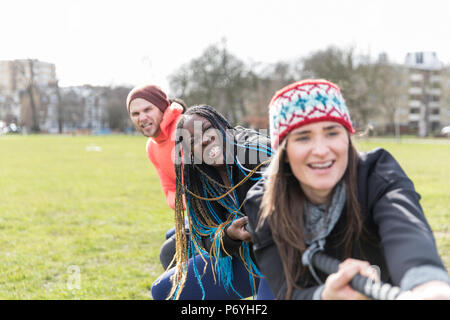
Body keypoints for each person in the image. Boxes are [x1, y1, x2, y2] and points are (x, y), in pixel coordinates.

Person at [244, 79, 450, 300]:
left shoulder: (377, 174)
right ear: (284, 153)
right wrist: (325, 296)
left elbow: (408, 235)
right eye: (303, 137)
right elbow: (287, 291)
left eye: (332, 132)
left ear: (347, 138)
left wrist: (428, 286)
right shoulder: (264, 203)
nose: (321, 150)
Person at [151, 105, 274, 300]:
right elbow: (204, 236)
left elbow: (276, 174)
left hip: (280, 257)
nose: (205, 139)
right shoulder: (199, 177)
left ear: (223, 126)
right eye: (194, 141)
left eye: (208, 129)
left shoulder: (254, 150)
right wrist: (229, 235)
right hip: (245, 259)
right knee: (164, 289)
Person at [126, 84, 187, 270]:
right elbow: (169, 190)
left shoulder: (187, 128)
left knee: (169, 252)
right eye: (135, 114)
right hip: (196, 212)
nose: (142, 118)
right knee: (171, 236)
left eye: (147, 109)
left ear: (162, 107)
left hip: (224, 210)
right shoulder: (152, 147)